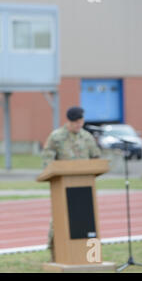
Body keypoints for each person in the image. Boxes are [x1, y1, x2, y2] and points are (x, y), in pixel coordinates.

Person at [41, 106, 101, 262]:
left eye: (81, 122)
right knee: (59, 221)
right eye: (76, 122)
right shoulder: (56, 137)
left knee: (87, 222)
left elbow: (96, 158)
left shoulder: (87, 137)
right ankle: (55, 255)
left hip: (85, 187)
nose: (79, 125)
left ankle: (89, 256)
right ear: (70, 121)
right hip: (62, 187)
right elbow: (47, 161)